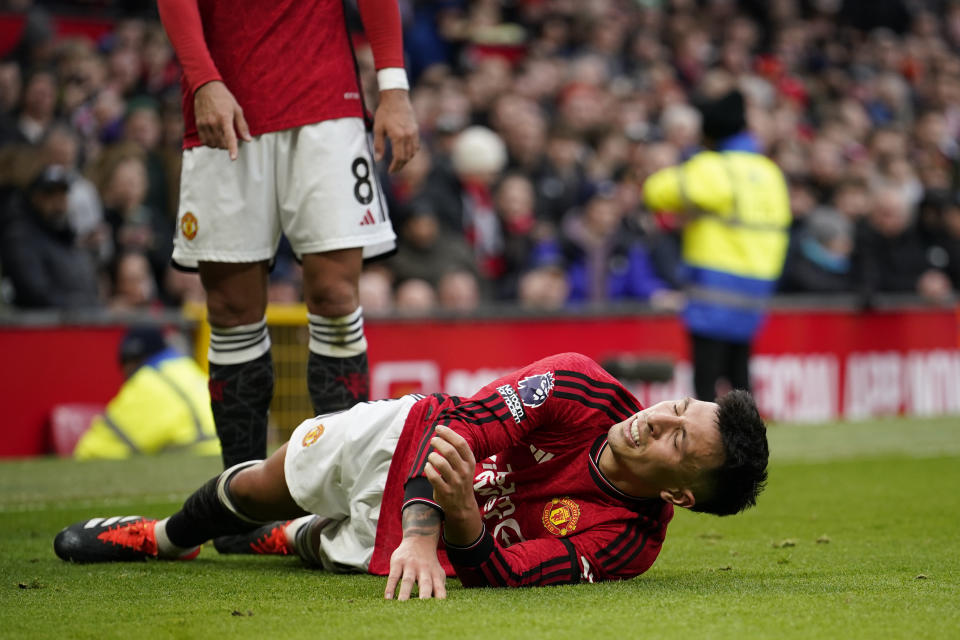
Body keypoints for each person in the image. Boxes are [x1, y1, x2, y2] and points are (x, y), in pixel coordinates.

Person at [54, 352, 769, 600]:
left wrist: (459, 527)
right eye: (676, 407)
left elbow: (512, 574)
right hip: (400, 442)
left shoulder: (630, 542)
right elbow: (456, 426)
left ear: (678, 493)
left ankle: (294, 538)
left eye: (677, 439)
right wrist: (428, 531)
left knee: (324, 549)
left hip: (444, 549)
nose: (655, 421)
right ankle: (165, 537)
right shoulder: (580, 387)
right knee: (258, 488)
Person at [155, 0, 420, 470]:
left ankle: (340, 487)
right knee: (231, 310)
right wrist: (204, 79)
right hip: (227, 108)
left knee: (336, 297)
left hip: (327, 107)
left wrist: (393, 88)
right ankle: (238, 496)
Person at [643, 74, 791, 401]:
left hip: (714, 288)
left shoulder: (713, 168)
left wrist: (689, 156)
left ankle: (705, 446)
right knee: (740, 377)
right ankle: (748, 444)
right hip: (756, 289)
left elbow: (655, 191)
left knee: (707, 382)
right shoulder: (769, 172)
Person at [74, 327, 220, 460]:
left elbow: (90, 453)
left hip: (192, 465)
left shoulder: (145, 384)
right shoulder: (189, 369)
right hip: (222, 461)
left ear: (130, 363)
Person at [0, 165, 101, 309]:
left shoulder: (67, 237)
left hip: (80, 324)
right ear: (34, 198)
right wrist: (86, 307)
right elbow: (35, 294)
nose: (58, 201)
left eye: (63, 193)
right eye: (50, 194)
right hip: (42, 328)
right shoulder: (20, 238)